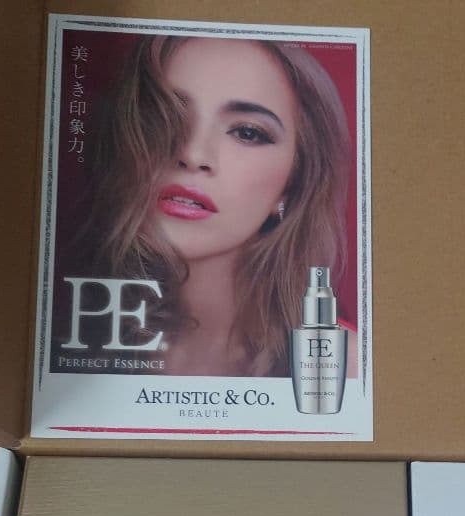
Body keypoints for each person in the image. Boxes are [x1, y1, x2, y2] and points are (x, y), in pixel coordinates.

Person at [81, 34, 357, 377]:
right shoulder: (64, 343)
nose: (193, 154)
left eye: (247, 133)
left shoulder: (343, 367)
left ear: (293, 185)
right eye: (165, 114)